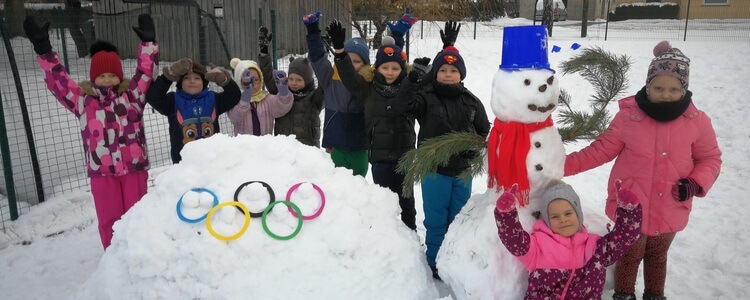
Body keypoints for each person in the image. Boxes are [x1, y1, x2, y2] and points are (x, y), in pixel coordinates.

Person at [563, 41, 722, 300]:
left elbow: (711, 159)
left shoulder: (697, 122)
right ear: (648, 86)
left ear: (684, 88)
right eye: (658, 87)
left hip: (671, 206)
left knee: (658, 257)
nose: (666, 94)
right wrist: (559, 165)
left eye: (673, 88)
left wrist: (694, 183)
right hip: (630, 209)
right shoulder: (629, 118)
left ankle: (655, 295)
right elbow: (599, 151)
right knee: (629, 256)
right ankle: (624, 294)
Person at [23, 14, 158, 249]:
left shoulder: (133, 97)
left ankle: (140, 254)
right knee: (109, 219)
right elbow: (59, 81)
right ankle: (113, 261)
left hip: (133, 167)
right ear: (93, 77)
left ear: (119, 76)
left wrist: (148, 45)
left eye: (112, 74)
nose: (107, 80)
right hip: (101, 171)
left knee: (138, 215)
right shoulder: (82, 102)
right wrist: (44, 49)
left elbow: (146, 74)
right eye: (101, 75)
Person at [395, 42, 491, 280]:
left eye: (453, 71)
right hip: (434, 171)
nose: (448, 75)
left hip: (462, 172)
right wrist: (413, 80)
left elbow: (483, 129)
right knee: (437, 220)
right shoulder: (425, 98)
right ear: (435, 74)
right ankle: (435, 262)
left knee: (458, 218)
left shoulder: (471, 101)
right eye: (443, 71)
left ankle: (454, 261)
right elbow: (401, 106)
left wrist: (473, 150)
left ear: (461, 74)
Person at [329, 19, 418, 231]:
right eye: (385, 67)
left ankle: (411, 238)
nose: (389, 72)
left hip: (404, 157)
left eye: (395, 68)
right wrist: (340, 52)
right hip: (379, 160)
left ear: (402, 69)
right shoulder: (367, 89)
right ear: (376, 68)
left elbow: (442, 76)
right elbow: (349, 77)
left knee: (407, 202)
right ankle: (385, 237)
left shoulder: (409, 87)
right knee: (383, 203)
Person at [494, 181, 642, 299]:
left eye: (568, 213)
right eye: (555, 216)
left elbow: (625, 237)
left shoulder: (596, 248)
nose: (563, 220)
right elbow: (514, 241)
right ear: (547, 220)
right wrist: (506, 215)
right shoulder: (538, 246)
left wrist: (629, 211)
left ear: (578, 214)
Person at [302, 11, 369, 175]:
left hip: (360, 148)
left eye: (357, 61)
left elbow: (390, 69)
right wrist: (313, 31)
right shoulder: (330, 78)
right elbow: (318, 58)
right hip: (336, 146)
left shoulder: (368, 83)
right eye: (348, 59)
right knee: (336, 188)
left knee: (359, 189)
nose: (351, 65)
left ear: (365, 64)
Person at [146, 59, 240, 163]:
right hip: (184, 162)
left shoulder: (213, 99)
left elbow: (234, 96)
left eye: (197, 78)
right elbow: (153, 97)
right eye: (186, 78)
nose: (192, 81)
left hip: (213, 158)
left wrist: (225, 81)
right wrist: (168, 76)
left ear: (203, 82)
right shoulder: (173, 101)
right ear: (180, 82)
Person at [255, 26, 325, 147]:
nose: (293, 83)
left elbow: (325, 81)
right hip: (284, 152)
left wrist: (321, 53)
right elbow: (268, 76)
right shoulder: (282, 95)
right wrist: (264, 53)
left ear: (308, 81)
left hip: (308, 152)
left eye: (299, 80)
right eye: (291, 78)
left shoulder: (315, 99)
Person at [227, 57, 293, 136]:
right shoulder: (237, 99)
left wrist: (284, 92)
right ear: (240, 82)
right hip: (244, 146)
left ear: (261, 80)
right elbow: (234, 117)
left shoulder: (266, 99)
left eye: (256, 80)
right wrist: (245, 99)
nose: (253, 84)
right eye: (248, 81)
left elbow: (282, 108)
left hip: (264, 145)